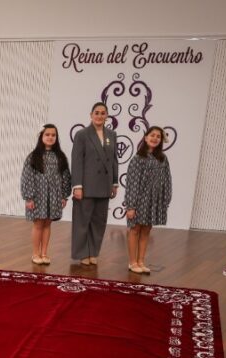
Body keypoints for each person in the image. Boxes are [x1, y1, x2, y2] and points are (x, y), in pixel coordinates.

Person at [70, 102, 118, 266]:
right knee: (82, 222)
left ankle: (93, 252)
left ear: (107, 116)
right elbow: (76, 161)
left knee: (99, 222)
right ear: (91, 115)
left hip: (104, 185)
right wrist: (77, 186)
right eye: (96, 112)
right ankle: (82, 253)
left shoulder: (112, 135)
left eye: (103, 113)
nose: (99, 116)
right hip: (86, 186)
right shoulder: (82, 134)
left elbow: (114, 161)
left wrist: (114, 183)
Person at [20, 124, 71, 266]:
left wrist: (64, 195)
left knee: (48, 224)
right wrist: (29, 197)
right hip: (38, 197)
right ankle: (35, 253)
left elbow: (66, 176)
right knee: (38, 224)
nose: (50, 137)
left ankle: (44, 253)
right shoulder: (33, 156)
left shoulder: (60, 157)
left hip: (54, 197)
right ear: (41, 137)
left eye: (53, 135)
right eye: (47, 134)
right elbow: (27, 177)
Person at [123, 126, 172, 274]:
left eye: (158, 136)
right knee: (135, 229)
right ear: (145, 137)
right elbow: (132, 183)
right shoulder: (138, 159)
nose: (155, 138)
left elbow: (167, 180)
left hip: (154, 201)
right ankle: (132, 262)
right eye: (152, 135)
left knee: (146, 230)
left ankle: (141, 261)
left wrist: (165, 199)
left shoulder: (162, 159)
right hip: (139, 200)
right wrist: (131, 206)